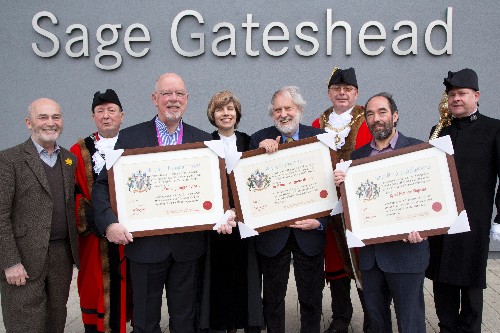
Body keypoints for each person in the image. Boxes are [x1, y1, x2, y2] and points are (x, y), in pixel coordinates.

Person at [92, 73, 236, 333]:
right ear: (154, 98)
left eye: (179, 94)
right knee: (145, 323)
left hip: (188, 249)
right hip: (145, 248)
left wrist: (226, 213)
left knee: (185, 320)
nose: (173, 100)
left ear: (187, 99)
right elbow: (102, 185)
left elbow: (221, 188)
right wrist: (109, 223)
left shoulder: (205, 140)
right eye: (167, 94)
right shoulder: (129, 138)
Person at [334, 92, 429, 332]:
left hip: (407, 252)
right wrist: (342, 185)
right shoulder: (357, 158)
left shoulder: (419, 149)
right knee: (376, 322)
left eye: (382, 112)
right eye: (370, 114)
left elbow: (431, 196)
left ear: (395, 116)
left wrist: (428, 226)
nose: (376, 118)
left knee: (410, 322)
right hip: (371, 257)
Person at [425, 68, 500, 333]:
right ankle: (446, 327)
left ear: (476, 95)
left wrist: (499, 218)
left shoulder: (494, 129)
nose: (456, 99)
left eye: (462, 93)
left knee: (470, 286)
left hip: (474, 222)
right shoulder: (438, 130)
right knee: (442, 281)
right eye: (451, 94)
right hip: (442, 220)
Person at [249, 86, 328, 333]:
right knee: (272, 300)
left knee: (312, 299)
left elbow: (330, 185)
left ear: (300, 110)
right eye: (278, 110)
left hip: (310, 233)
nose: (283, 114)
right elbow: (249, 185)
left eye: (288, 108)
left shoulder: (320, 138)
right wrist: (257, 155)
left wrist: (320, 222)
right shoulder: (258, 139)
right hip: (274, 235)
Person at [0, 98, 79, 332]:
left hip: (61, 255)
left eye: (56, 117)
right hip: (22, 259)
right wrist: (10, 261)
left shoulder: (68, 160)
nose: (50, 123)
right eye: (43, 117)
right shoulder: (9, 160)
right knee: (25, 324)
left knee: (56, 320)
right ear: (29, 122)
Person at [311, 67, 372, 333]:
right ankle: (340, 318)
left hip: (361, 206)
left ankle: (373, 317)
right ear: (329, 93)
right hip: (328, 208)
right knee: (335, 262)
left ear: (356, 93)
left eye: (347, 89)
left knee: (364, 261)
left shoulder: (369, 121)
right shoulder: (316, 124)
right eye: (337, 89)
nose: (342, 93)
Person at [201, 91, 263, 333]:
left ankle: (247, 324)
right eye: (219, 109)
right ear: (212, 115)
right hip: (214, 224)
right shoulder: (204, 144)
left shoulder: (250, 141)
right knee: (218, 277)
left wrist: (238, 210)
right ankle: (220, 325)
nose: (225, 114)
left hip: (244, 221)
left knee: (245, 275)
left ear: (237, 114)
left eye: (230, 109)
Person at [71, 89, 130, 332]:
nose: (106, 116)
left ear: (122, 116)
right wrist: (100, 221)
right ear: (93, 116)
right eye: (100, 111)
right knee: (96, 287)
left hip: (131, 234)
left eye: (111, 111)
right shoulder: (79, 150)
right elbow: (72, 195)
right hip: (96, 238)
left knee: (131, 289)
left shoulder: (134, 141)